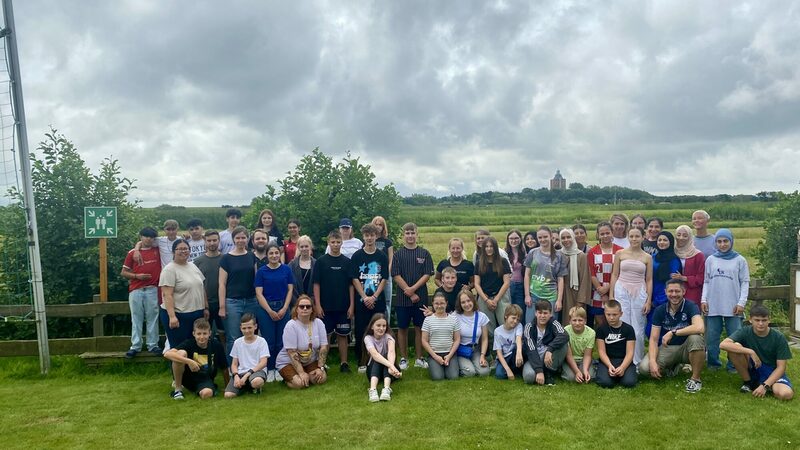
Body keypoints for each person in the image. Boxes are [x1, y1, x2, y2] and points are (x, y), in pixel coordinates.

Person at [639, 279, 706, 393]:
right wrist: (653, 362)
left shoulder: (691, 306)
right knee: (644, 369)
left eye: (677, 291)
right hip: (668, 347)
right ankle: (673, 366)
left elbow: (700, 327)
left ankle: (695, 379)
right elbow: (654, 340)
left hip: (687, 347)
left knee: (696, 338)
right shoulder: (660, 310)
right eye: (671, 291)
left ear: (683, 291)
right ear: (665, 292)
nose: (674, 294)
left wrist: (673, 332)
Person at [720, 305, 794, 400]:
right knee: (736, 347)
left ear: (769, 320)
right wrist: (750, 351)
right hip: (753, 366)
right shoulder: (745, 331)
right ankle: (748, 382)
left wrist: (765, 385)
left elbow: (781, 367)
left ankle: (766, 385)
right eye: (757, 320)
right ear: (750, 320)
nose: (760, 323)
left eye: (764, 320)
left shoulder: (779, 337)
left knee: (785, 394)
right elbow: (723, 344)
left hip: (771, 371)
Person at [702, 228, 750, 371]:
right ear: (715, 243)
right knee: (712, 337)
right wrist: (704, 300)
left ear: (731, 241)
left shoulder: (740, 260)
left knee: (735, 337)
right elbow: (706, 281)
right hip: (713, 304)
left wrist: (741, 303)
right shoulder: (711, 260)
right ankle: (713, 363)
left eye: (725, 241)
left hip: (733, 305)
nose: (722, 244)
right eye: (719, 241)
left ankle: (733, 364)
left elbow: (745, 282)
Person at [391, 222, 434, 370]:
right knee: (402, 328)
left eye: (412, 233)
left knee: (419, 328)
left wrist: (414, 289)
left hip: (420, 297)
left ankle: (419, 358)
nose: (410, 236)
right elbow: (395, 275)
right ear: (403, 235)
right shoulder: (398, 254)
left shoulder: (424, 253)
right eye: (407, 233)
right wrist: (408, 291)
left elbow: (427, 274)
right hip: (402, 299)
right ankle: (403, 358)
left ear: (417, 234)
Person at [609, 226, 653, 365]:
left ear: (642, 237)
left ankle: (637, 361)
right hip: (621, 290)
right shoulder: (620, 254)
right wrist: (611, 296)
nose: (634, 239)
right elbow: (614, 274)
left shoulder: (647, 257)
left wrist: (648, 300)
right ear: (628, 237)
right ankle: (622, 359)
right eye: (631, 236)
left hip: (639, 292)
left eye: (637, 236)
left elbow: (649, 279)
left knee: (638, 328)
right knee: (623, 324)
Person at [314, 230, 354, 373]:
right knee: (326, 336)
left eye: (338, 242)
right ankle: (322, 364)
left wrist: (352, 305)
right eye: (333, 242)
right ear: (328, 243)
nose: (335, 245)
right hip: (325, 307)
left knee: (343, 335)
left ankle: (344, 363)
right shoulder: (320, 262)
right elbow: (316, 284)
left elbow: (351, 285)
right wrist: (317, 305)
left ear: (341, 243)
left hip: (343, 307)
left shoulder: (347, 262)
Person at [351, 223, 389, 373]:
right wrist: (364, 297)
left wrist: (374, 297)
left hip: (377, 301)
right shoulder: (357, 256)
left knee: (378, 330)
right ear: (363, 237)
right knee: (361, 331)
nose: (369, 238)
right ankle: (362, 360)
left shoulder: (381, 256)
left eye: (372, 235)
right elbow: (354, 278)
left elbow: (384, 278)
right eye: (366, 235)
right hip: (361, 301)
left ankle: (378, 358)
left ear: (376, 236)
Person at [254, 242, 294, 382]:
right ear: (266, 255)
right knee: (269, 341)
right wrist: (270, 310)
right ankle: (270, 368)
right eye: (271, 253)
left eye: (276, 253)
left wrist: (284, 308)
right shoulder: (261, 271)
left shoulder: (286, 270)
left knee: (282, 341)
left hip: (283, 306)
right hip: (266, 309)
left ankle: (280, 368)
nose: (274, 255)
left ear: (280, 254)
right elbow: (259, 293)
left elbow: (290, 290)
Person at [159, 239, 207, 350]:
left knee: (194, 347)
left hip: (196, 313)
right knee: (179, 348)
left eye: (186, 249)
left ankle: (192, 367)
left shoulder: (192, 266)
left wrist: (205, 307)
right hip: (179, 315)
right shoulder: (169, 270)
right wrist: (172, 317)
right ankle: (177, 367)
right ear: (173, 252)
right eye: (180, 249)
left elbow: (201, 287)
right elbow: (167, 295)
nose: (183, 251)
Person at [218, 226, 258, 359]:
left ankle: (249, 364)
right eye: (238, 238)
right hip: (232, 302)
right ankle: (233, 370)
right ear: (233, 239)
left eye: (243, 237)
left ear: (247, 239)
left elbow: (256, 280)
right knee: (233, 337)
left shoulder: (252, 256)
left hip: (251, 301)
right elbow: (222, 284)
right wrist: (222, 306)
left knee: (250, 335)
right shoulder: (226, 259)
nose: (241, 240)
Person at [121, 227, 162, 357]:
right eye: (145, 236)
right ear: (141, 237)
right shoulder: (132, 253)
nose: (148, 239)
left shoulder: (157, 250)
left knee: (153, 318)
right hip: (136, 289)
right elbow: (124, 272)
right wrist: (137, 276)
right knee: (136, 318)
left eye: (151, 237)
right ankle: (135, 346)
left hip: (152, 289)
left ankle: (153, 345)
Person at [164, 318, 228, 400]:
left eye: (205, 333)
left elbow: (224, 367)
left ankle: (202, 389)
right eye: (199, 334)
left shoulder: (216, 345)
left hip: (204, 378)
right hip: (188, 376)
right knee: (181, 353)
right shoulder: (189, 343)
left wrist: (227, 387)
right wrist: (189, 361)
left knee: (207, 394)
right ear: (194, 334)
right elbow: (167, 354)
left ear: (210, 333)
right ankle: (178, 390)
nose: (201, 337)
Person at [275, 295, 329, 389]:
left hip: (309, 360)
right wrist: (301, 372)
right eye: (301, 306)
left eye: (308, 306)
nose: (305, 309)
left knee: (321, 379)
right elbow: (291, 352)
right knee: (300, 384)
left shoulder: (319, 323)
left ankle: (308, 374)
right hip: (288, 361)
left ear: (312, 309)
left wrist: (320, 368)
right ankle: (289, 378)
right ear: (297, 309)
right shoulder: (291, 325)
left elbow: (324, 347)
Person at [523, 226, 567, 324]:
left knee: (551, 326)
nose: (542, 240)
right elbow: (527, 275)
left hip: (551, 296)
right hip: (534, 295)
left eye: (545, 236)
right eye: (540, 237)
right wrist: (527, 295)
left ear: (551, 236)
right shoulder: (532, 253)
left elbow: (560, 279)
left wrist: (559, 300)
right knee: (530, 324)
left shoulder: (559, 256)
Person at [522, 300, 568, 385]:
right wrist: (539, 371)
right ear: (535, 313)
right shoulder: (529, 327)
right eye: (540, 313)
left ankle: (549, 373)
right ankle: (538, 371)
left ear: (551, 314)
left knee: (564, 344)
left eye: (545, 313)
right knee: (529, 377)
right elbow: (531, 350)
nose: (542, 316)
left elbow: (564, 335)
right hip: (533, 358)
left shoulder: (554, 323)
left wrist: (549, 349)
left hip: (548, 358)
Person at [587, 222, 623, 328]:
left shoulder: (620, 250)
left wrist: (608, 288)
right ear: (598, 235)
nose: (605, 236)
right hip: (597, 293)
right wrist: (601, 290)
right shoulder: (592, 251)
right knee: (600, 323)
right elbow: (592, 273)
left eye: (608, 233)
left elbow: (620, 272)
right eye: (602, 234)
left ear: (612, 233)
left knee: (614, 321)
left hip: (614, 291)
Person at [224, 313, 269, 398]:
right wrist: (236, 375)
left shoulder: (261, 341)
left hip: (256, 371)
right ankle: (246, 387)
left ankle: (252, 386)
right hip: (241, 372)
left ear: (255, 327)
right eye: (244, 328)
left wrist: (247, 375)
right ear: (240, 328)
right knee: (228, 395)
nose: (247, 331)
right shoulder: (237, 342)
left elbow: (263, 363)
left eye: (249, 328)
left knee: (257, 382)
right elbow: (234, 364)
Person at [595, 300, 638, 388]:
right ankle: (610, 374)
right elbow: (601, 351)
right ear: (605, 313)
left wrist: (623, 367)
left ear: (621, 314)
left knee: (629, 383)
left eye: (614, 315)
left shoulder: (629, 329)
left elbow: (630, 352)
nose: (611, 318)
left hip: (624, 360)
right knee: (605, 383)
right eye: (608, 315)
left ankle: (622, 374)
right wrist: (609, 365)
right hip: (607, 361)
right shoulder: (601, 329)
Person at [475, 236, 512, 338]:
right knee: (487, 326)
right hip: (484, 297)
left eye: (491, 246)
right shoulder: (479, 263)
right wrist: (486, 300)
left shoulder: (503, 261)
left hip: (500, 296)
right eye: (486, 246)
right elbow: (476, 284)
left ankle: (507, 347)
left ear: (495, 247)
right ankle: (491, 348)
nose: (489, 248)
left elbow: (506, 282)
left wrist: (496, 299)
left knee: (505, 321)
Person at [421, 292, 461, 381]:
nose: (439, 306)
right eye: (436, 303)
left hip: (450, 353)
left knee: (453, 377)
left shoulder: (453, 319)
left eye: (442, 303)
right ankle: (434, 365)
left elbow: (457, 339)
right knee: (438, 377)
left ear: (446, 303)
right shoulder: (428, 320)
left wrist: (450, 355)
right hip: (434, 354)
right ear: (433, 304)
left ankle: (448, 366)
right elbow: (424, 340)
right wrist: (435, 357)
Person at [648, 231, 682, 336]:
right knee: (650, 329)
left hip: (666, 299)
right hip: (651, 297)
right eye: (659, 240)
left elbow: (673, 283)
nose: (662, 242)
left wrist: (660, 300)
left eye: (665, 240)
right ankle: (654, 351)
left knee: (664, 329)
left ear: (670, 242)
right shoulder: (653, 257)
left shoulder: (674, 260)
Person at [194, 230, 225, 343]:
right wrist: (205, 306)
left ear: (219, 241)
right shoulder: (198, 262)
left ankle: (225, 359)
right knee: (204, 335)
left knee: (224, 334)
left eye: (214, 240)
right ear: (205, 241)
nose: (212, 243)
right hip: (205, 304)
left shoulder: (225, 259)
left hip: (223, 303)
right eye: (209, 240)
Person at [363, 313, 401, 402]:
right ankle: (372, 390)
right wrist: (391, 366)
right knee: (378, 358)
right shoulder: (367, 338)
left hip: (389, 371)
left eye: (384, 326)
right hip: (372, 371)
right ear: (372, 326)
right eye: (378, 325)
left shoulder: (389, 337)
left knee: (385, 356)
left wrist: (391, 367)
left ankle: (386, 389)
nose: (381, 328)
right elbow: (375, 355)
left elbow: (391, 352)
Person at [454, 290, 491, 377]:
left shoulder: (481, 316)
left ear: (473, 300)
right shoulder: (455, 316)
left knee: (484, 372)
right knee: (470, 373)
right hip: (461, 350)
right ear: (459, 304)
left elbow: (485, 339)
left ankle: (473, 363)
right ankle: (459, 366)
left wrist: (482, 355)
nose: (467, 304)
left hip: (475, 350)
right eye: (463, 302)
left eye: (468, 301)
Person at [559, 228, 591, 327]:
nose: (566, 240)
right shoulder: (558, 254)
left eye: (568, 237)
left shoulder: (581, 256)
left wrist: (580, 301)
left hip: (575, 295)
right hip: (559, 295)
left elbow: (585, 279)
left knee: (576, 322)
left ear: (573, 238)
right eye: (563, 238)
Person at [562, 306, 595, 383]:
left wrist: (585, 370)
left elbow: (587, 355)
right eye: (574, 320)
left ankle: (586, 369)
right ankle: (564, 369)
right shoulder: (565, 331)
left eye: (580, 320)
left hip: (583, 359)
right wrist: (577, 372)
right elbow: (568, 355)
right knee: (571, 378)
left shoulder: (591, 333)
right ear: (570, 321)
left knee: (589, 376)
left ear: (585, 321)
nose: (577, 323)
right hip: (570, 359)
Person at [372, 216, 394, 323]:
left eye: (380, 224)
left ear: (383, 227)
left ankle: (387, 327)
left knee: (387, 303)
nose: (378, 227)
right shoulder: (369, 240)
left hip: (386, 277)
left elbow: (391, 259)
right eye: (376, 224)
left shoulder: (388, 242)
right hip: (372, 276)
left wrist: (387, 273)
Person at [493, 304, 524, 380]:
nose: (515, 321)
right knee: (500, 375)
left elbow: (518, 338)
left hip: (514, 354)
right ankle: (512, 370)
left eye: (517, 319)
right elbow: (499, 353)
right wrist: (507, 369)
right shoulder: (497, 331)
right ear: (506, 316)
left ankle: (519, 367)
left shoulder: (519, 326)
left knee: (520, 347)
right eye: (513, 318)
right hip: (504, 357)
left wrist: (519, 353)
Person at [505, 230, 528, 320]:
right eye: (511, 238)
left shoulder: (525, 254)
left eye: (516, 238)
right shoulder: (504, 253)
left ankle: (520, 332)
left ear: (520, 239)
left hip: (520, 286)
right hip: (508, 285)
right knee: (508, 310)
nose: (513, 241)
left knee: (520, 311)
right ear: (508, 240)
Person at [289, 235, 316, 302]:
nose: (304, 249)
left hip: (312, 302)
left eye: (306, 246)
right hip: (296, 302)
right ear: (298, 247)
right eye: (302, 247)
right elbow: (290, 285)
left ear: (310, 246)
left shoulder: (316, 264)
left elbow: (318, 285)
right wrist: (297, 301)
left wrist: (312, 301)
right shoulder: (292, 264)